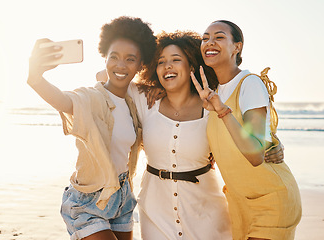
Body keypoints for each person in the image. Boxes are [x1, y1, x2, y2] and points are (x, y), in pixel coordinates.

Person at [27, 16, 156, 240]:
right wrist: (35, 78)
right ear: (105, 57)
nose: (120, 65)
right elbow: (64, 101)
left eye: (130, 59)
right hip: (88, 200)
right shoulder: (91, 98)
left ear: (140, 64)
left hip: (123, 197)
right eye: (113, 57)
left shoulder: (135, 102)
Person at [191, 20, 302, 240]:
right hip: (239, 204)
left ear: (237, 47)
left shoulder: (249, 84)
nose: (209, 42)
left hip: (271, 199)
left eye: (219, 37)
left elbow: (255, 153)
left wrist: (223, 111)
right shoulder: (211, 94)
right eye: (205, 38)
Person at [131, 31, 232, 240]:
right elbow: (104, 76)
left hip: (207, 213)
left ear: (191, 67)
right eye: (161, 62)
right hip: (155, 212)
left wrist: (272, 148)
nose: (167, 66)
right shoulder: (145, 102)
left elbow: (243, 135)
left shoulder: (212, 105)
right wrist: (153, 87)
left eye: (176, 60)